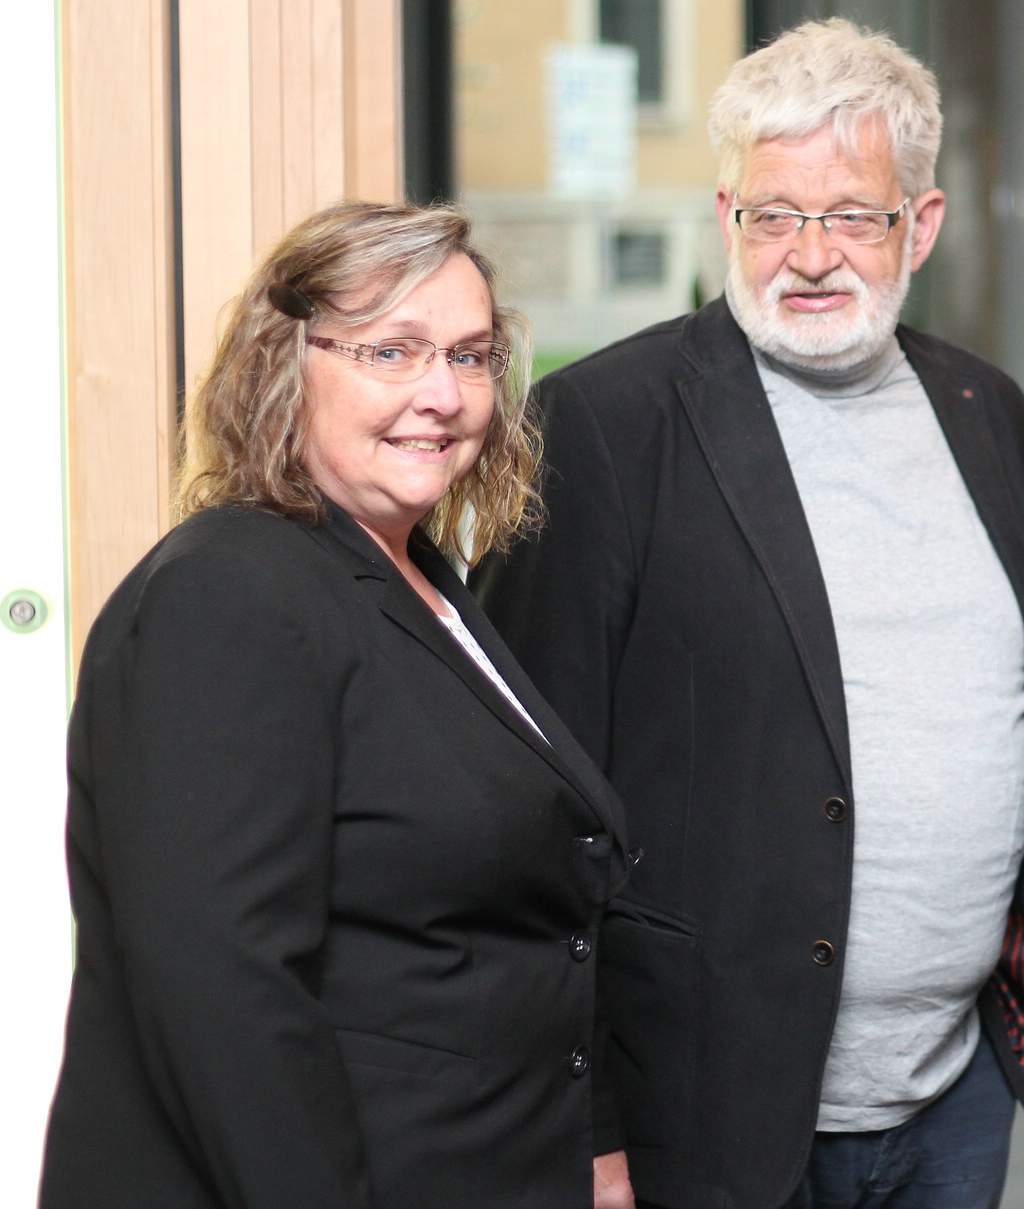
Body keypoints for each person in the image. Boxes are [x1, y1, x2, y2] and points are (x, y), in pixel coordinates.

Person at [470, 18, 1024, 1209]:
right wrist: (586, 1127)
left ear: (920, 224)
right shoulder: (605, 424)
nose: (809, 256)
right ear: (727, 216)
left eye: (852, 216)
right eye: (774, 215)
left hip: (955, 1089)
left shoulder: (983, 407)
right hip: (703, 1105)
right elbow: (524, 806)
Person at [41, 203, 632, 1209]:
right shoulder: (227, 592)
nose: (442, 394)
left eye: (470, 356)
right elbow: (219, 986)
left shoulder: (421, 581)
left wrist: (591, 1143)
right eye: (391, 351)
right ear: (284, 364)